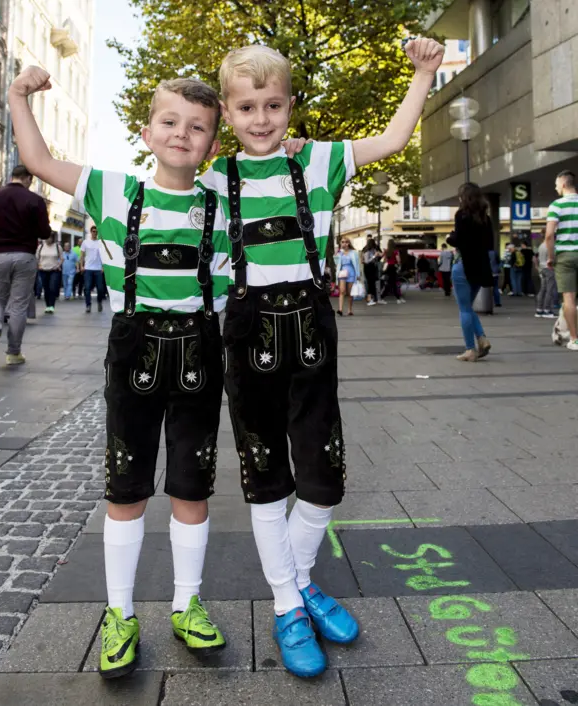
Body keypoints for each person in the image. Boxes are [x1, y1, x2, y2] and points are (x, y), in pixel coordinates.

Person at [200, 38, 444, 678]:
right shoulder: (212, 180)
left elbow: (391, 139)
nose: (261, 118)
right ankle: (287, 604)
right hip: (247, 331)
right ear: (228, 113)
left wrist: (422, 73)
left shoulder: (322, 161)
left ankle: (301, 581)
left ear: (290, 106)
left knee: (323, 471)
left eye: (273, 105)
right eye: (248, 107)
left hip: (311, 329)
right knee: (263, 473)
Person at [9, 66, 237, 678]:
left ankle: (187, 603)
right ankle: (120, 612)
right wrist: (17, 96)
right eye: (169, 122)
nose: (181, 134)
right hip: (133, 353)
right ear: (146, 132)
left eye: (197, 128)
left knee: (193, 487)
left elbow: (280, 180)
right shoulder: (112, 193)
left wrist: (292, 149)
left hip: (199, 356)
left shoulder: (224, 204)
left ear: (214, 145)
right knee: (125, 488)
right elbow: (35, 156)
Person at [0, 164, 50, 366]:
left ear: (12, 176)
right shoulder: (35, 200)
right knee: (18, 305)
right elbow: (44, 232)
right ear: (28, 178)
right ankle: (13, 353)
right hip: (25, 256)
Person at [447, 183, 494, 362]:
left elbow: (460, 240)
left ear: (463, 198)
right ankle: (482, 338)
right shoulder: (486, 219)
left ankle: (470, 349)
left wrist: (449, 238)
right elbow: (489, 244)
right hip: (480, 268)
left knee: (464, 309)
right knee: (468, 306)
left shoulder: (461, 215)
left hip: (463, 266)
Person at [545, 170, 578, 350]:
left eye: (557, 184)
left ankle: (574, 339)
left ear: (564, 184)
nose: (556, 187)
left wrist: (551, 257)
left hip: (565, 255)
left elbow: (550, 235)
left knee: (569, 298)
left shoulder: (556, 205)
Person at [81, 225, 106, 313]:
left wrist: (103, 267)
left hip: (98, 269)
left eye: (96, 231)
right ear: (91, 232)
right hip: (88, 268)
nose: (95, 233)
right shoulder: (85, 242)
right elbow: (82, 255)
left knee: (100, 288)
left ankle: (99, 302)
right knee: (87, 288)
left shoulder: (100, 243)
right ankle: (88, 305)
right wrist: (81, 266)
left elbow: (104, 256)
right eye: (93, 231)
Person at [36, 232, 63, 314]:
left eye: (50, 238)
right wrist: (38, 265)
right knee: (46, 288)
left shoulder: (57, 247)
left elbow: (62, 258)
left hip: (54, 270)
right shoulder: (41, 247)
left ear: (53, 238)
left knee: (52, 287)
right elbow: (37, 258)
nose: (48, 239)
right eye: (47, 238)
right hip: (43, 270)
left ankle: (51, 305)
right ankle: (47, 305)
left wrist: (58, 265)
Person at [335, 237, 360, 315]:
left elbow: (357, 264)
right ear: (340, 243)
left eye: (346, 242)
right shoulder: (339, 253)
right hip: (342, 273)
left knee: (349, 293)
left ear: (349, 243)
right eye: (342, 242)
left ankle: (349, 309)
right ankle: (340, 310)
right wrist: (336, 254)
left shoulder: (353, 253)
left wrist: (358, 274)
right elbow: (336, 263)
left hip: (351, 273)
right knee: (342, 291)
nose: (344, 243)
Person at [535, 239, 557, 318]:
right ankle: (547, 310)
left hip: (542, 268)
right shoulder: (550, 246)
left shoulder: (541, 245)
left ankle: (539, 310)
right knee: (549, 289)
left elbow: (536, 257)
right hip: (549, 268)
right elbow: (554, 257)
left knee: (543, 289)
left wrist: (538, 267)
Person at [381, 239, 403, 303]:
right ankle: (383, 297)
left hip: (388, 267)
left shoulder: (386, 251)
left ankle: (398, 298)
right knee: (392, 283)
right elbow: (398, 260)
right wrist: (399, 265)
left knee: (391, 283)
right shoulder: (395, 251)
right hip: (393, 267)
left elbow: (384, 259)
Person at [362, 238, 381, 306]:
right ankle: (369, 299)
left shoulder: (373, 250)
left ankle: (373, 299)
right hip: (368, 268)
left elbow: (377, 258)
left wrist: (379, 255)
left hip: (373, 268)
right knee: (370, 283)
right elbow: (367, 261)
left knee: (372, 283)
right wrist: (374, 256)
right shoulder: (367, 251)